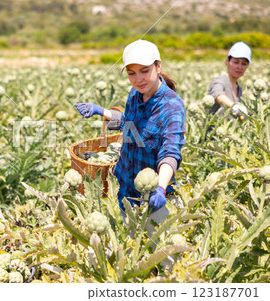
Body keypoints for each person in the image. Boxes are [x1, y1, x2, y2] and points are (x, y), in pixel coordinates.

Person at [74, 39, 186, 234]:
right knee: (126, 247)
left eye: (144, 71)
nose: (138, 79)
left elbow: (170, 152)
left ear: (158, 66)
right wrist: (101, 111)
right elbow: (130, 125)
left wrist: (160, 187)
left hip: (153, 198)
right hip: (125, 187)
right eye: (131, 73)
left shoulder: (172, 106)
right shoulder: (135, 93)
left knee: (159, 255)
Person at [207, 41, 252, 118]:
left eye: (244, 64)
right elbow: (218, 95)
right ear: (227, 61)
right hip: (215, 129)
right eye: (236, 62)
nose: (239, 67)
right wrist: (234, 106)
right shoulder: (219, 81)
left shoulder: (240, 89)